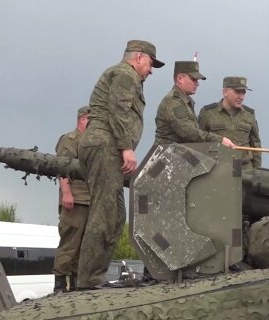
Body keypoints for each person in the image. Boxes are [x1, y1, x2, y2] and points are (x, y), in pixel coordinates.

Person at [76, 40, 164, 290]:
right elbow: (119, 110)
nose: (151, 70)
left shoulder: (126, 76)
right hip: (106, 146)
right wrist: (126, 147)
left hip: (108, 147)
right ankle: (88, 281)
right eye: (150, 63)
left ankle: (94, 277)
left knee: (115, 216)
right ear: (138, 58)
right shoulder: (126, 75)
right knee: (103, 215)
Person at [154, 61, 235, 148]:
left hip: (177, 154)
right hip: (166, 155)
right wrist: (219, 140)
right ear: (180, 78)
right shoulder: (173, 102)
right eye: (193, 79)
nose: (197, 83)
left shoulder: (183, 102)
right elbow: (187, 131)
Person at [52, 106, 90, 293]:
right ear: (83, 119)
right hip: (75, 198)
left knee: (83, 245)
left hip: (89, 199)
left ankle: (75, 283)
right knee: (69, 243)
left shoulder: (90, 143)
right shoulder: (70, 140)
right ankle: (60, 284)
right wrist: (67, 193)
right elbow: (62, 167)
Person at [199, 77, 262, 170]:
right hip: (216, 168)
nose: (241, 97)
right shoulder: (208, 113)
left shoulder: (249, 115)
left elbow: (256, 145)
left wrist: (257, 172)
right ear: (225, 92)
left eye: (243, 92)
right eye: (237, 92)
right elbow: (198, 140)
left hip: (242, 168)